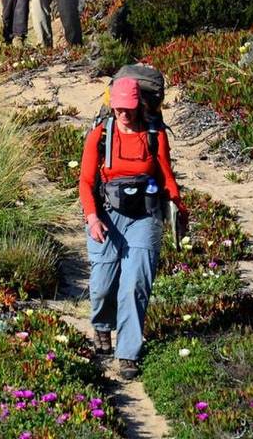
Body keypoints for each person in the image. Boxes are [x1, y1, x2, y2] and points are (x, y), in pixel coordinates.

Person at [77, 76, 188, 378]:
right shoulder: (99, 136)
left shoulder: (154, 135)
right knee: (101, 285)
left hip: (145, 217)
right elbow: (86, 182)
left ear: (138, 104)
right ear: (111, 106)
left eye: (129, 108)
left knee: (135, 284)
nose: (124, 114)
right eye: (119, 108)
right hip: (106, 217)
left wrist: (178, 206)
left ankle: (128, 353)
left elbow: (165, 174)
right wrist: (92, 217)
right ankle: (102, 327)